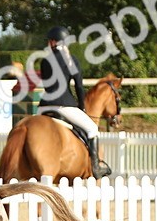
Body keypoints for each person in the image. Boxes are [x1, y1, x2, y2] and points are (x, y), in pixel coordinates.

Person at [36, 25, 111, 179]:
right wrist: (82, 107)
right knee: (92, 129)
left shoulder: (44, 61)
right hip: (63, 105)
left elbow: (47, 85)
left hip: (43, 107)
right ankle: (96, 167)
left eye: (50, 40)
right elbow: (79, 87)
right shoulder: (71, 61)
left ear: (54, 42)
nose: (48, 43)